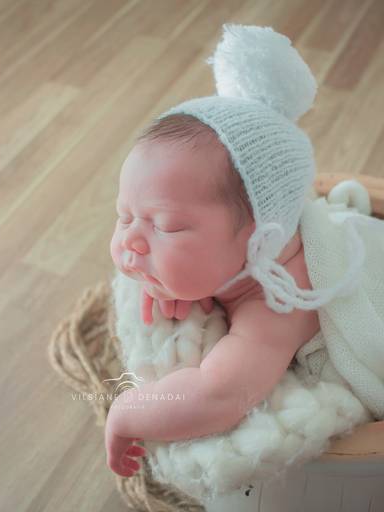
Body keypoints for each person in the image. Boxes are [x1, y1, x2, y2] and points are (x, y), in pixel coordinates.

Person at [104, 24, 378, 479]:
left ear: (259, 239)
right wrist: (172, 278)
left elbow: (219, 396)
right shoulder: (244, 254)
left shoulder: (281, 301)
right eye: (124, 215)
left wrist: (127, 412)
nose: (131, 239)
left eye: (165, 225)